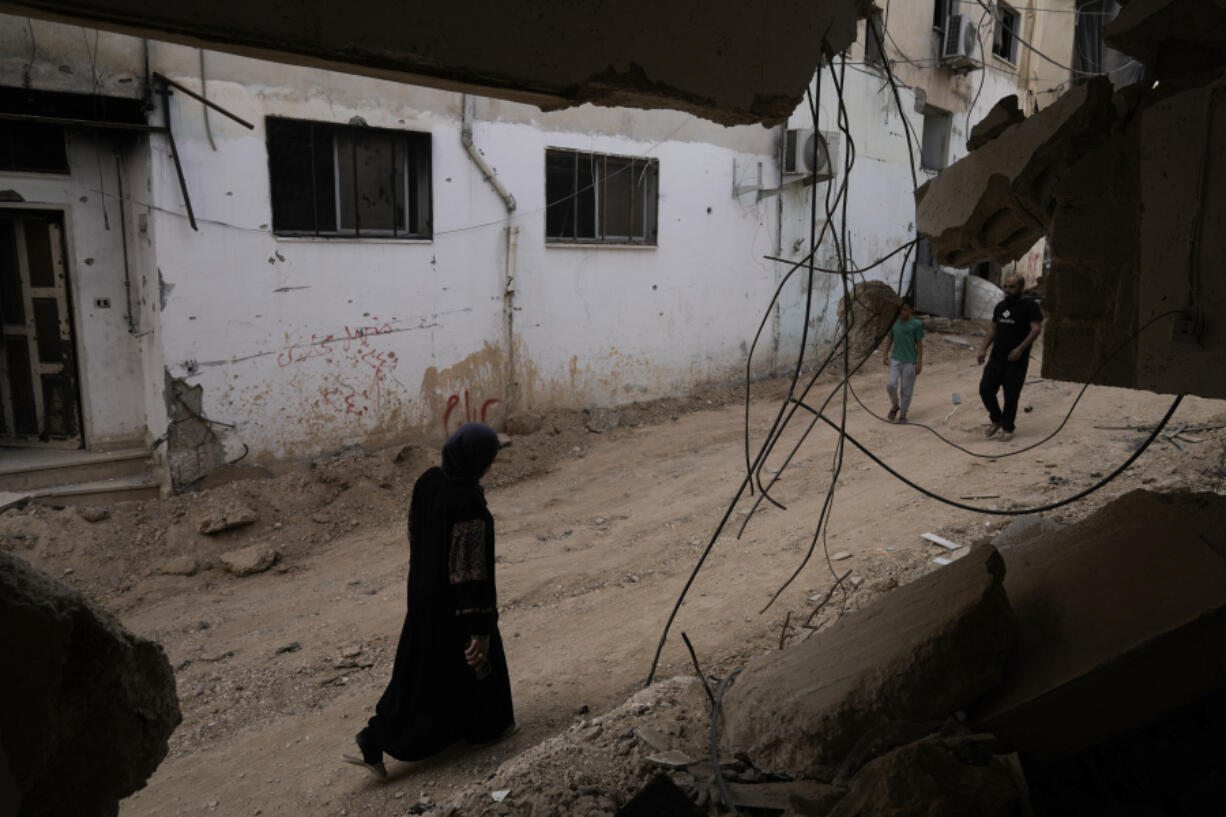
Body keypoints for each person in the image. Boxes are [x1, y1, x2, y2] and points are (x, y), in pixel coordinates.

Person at [344, 422, 515, 778]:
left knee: (420, 672)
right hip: (457, 606)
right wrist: (479, 624)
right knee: (471, 664)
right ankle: (486, 730)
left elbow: (415, 533)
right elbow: (470, 570)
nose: (489, 466)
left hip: (423, 595)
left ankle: (374, 738)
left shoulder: (428, 481)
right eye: (489, 460)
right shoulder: (468, 503)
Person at [977, 274, 1043, 442]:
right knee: (985, 389)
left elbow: (1036, 329)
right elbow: (993, 329)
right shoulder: (1000, 307)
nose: (1007, 290)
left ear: (1021, 288)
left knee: (1011, 395)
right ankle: (997, 419)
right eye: (1005, 286)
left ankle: (1007, 427)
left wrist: (1020, 349)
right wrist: (983, 348)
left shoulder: (1030, 306)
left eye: (1012, 287)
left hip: (1016, 361)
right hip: (997, 357)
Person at [881, 297, 924, 423]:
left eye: (905, 310)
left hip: (910, 361)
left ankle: (903, 414)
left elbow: (919, 343)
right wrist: (885, 354)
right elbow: (890, 338)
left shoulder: (916, 325)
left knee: (906, 389)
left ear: (912, 310)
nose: (902, 312)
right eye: (901, 310)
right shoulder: (895, 322)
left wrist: (919, 361)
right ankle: (895, 405)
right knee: (890, 385)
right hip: (896, 359)